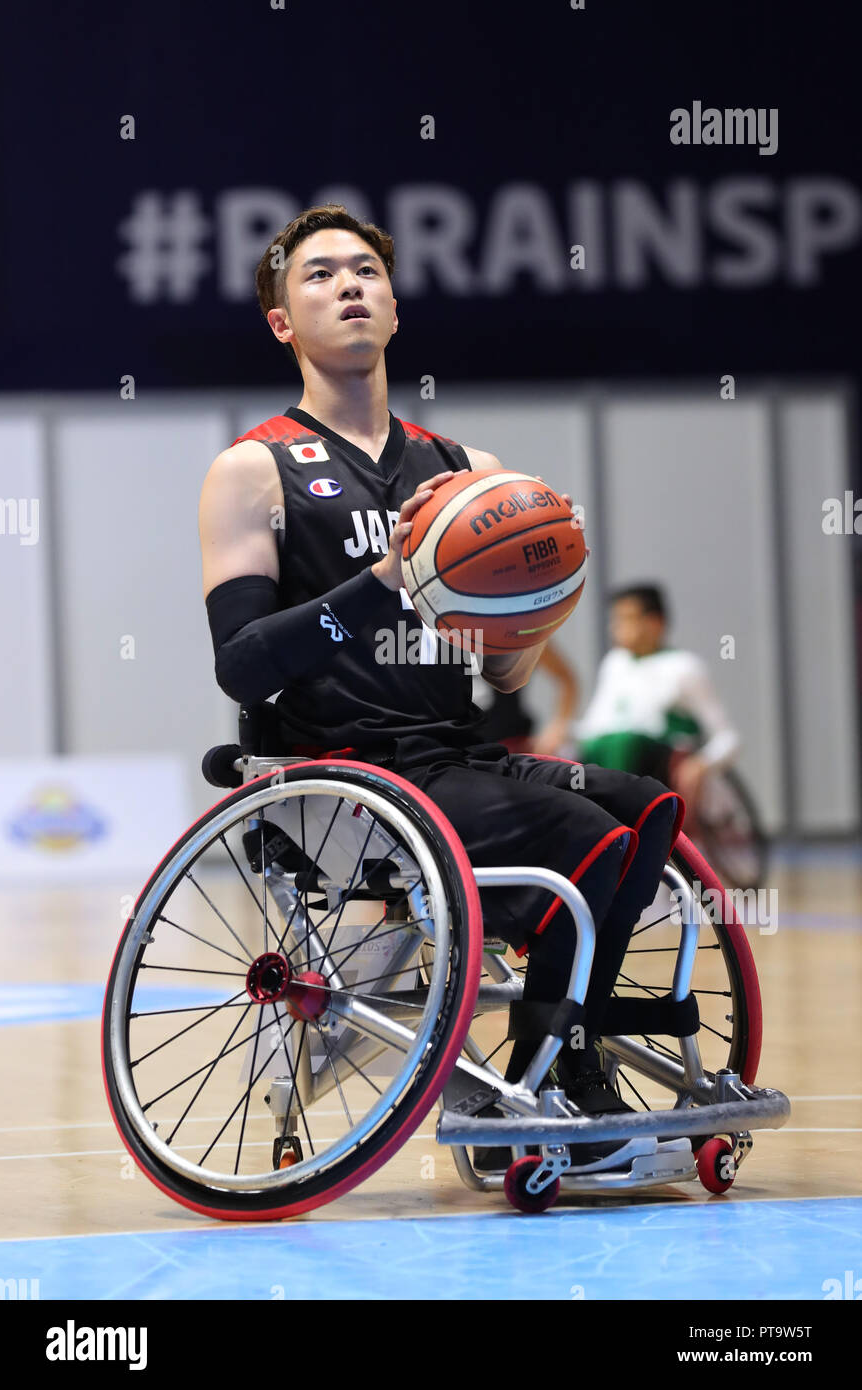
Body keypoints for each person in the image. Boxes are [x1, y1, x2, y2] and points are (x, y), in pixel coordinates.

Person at [198, 205, 684, 1173]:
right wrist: (385, 584)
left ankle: (560, 1044)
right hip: (346, 772)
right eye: (321, 274)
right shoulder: (251, 471)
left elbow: (500, 671)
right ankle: (545, 1079)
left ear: (392, 300)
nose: (349, 285)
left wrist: (531, 605)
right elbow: (242, 663)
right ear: (281, 321)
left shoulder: (467, 476)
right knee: (584, 841)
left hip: (456, 756)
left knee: (643, 805)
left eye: (367, 271)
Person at [576, 585, 740, 816]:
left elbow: (728, 738)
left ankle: (619, 822)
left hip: (657, 768)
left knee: (624, 743)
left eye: (626, 619)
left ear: (655, 623)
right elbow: (592, 727)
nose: (615, 627)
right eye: (615, 619)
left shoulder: (685, 667)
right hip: (607, 761)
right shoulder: (615, 664)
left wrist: (702, 764)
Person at [471, 640, 579, 756]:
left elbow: (566, 680)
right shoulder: (453, 635)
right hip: (462, 748)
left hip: (510, 746)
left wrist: (557, 729)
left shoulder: (521, 631)